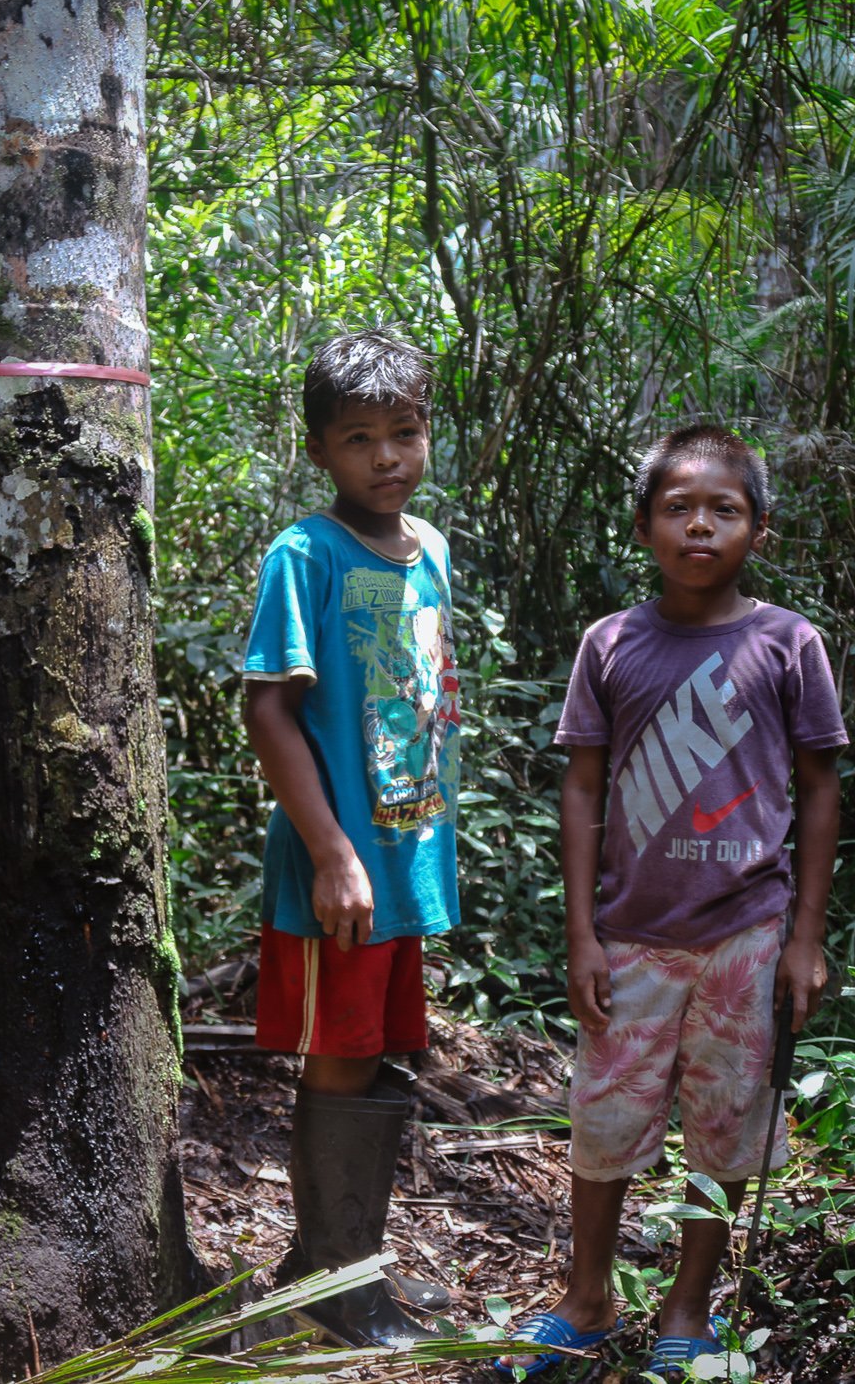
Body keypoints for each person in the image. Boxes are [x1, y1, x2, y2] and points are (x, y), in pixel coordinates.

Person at [497, 425, 846, 1378]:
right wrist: (582, 935)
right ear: (645, 526)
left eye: (723, 509)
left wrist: (804, 938)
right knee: (604, 1122)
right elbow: (581, 787)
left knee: (726, 1126)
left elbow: (819, 788)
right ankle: (588, 1297)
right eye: (678, 508)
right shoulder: (610, 644)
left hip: (746, 934)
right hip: (633, 936)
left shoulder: (788, 644)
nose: (701, 525)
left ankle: (689, 1308)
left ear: (759, 529)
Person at [240, 327, 462, 1348]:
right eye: (359, 438)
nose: (385, 458)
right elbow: (270, 712)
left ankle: (331, 1263)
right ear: (320, 450)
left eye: (403, 432)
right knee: (338, 1059)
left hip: (404, 861)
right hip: (338, 868)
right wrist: (331, 851)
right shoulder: (304, 554)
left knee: (381, 1054)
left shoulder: (434, 555)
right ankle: (336, 1287)